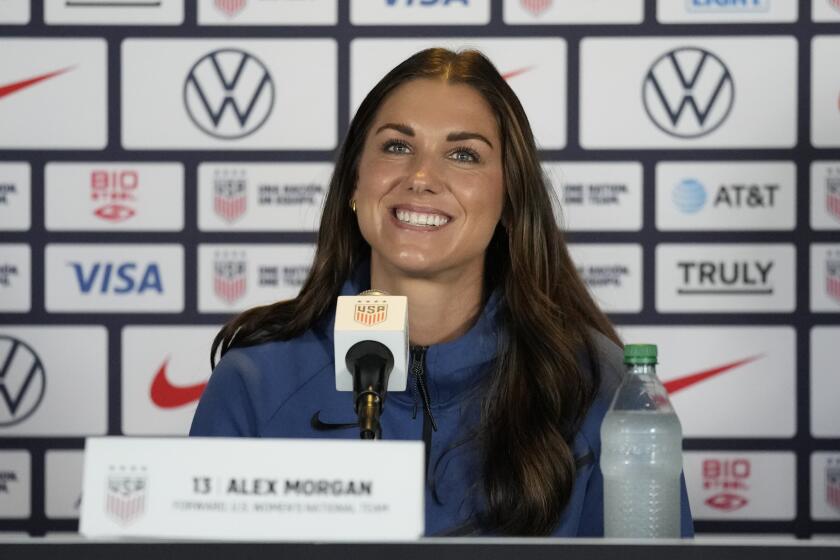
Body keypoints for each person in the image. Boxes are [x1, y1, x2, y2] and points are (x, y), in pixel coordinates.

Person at [190, 47, 694, 537]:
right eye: (397, 146)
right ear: (353, 184)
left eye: (462, 154)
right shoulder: (257, 380)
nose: (422, 177)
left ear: (511, 201)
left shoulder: (597, 386)